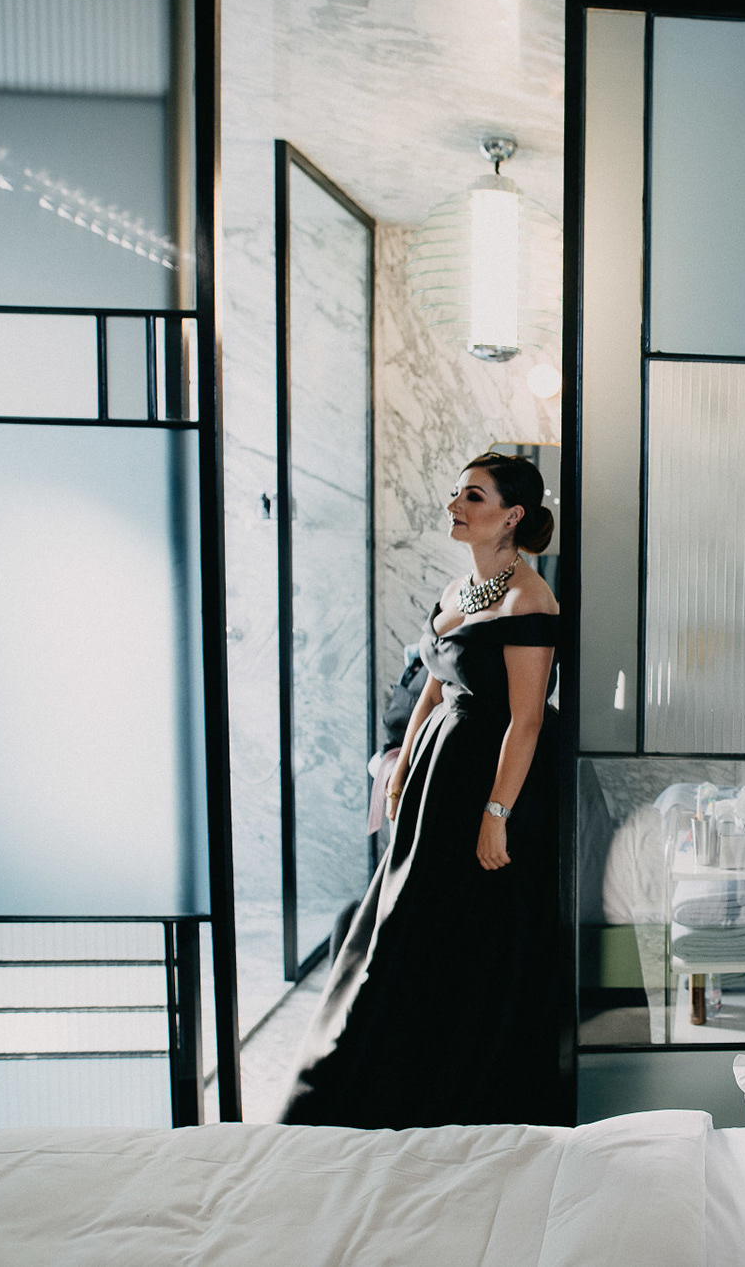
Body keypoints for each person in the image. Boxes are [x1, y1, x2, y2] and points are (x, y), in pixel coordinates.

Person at [281, 451, 564, 1127]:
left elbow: (526, 719)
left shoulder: (530, 598)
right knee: (406, 916)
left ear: (513, 516)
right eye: (456, 493)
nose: (454, 506)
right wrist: (404, 764)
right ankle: (377, 1073)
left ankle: (455, 1086)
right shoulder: (458, 589)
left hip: (493, 776)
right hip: (439, 773)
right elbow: (433, 686)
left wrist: (496, 814)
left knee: (472, 930)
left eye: (473, 496)